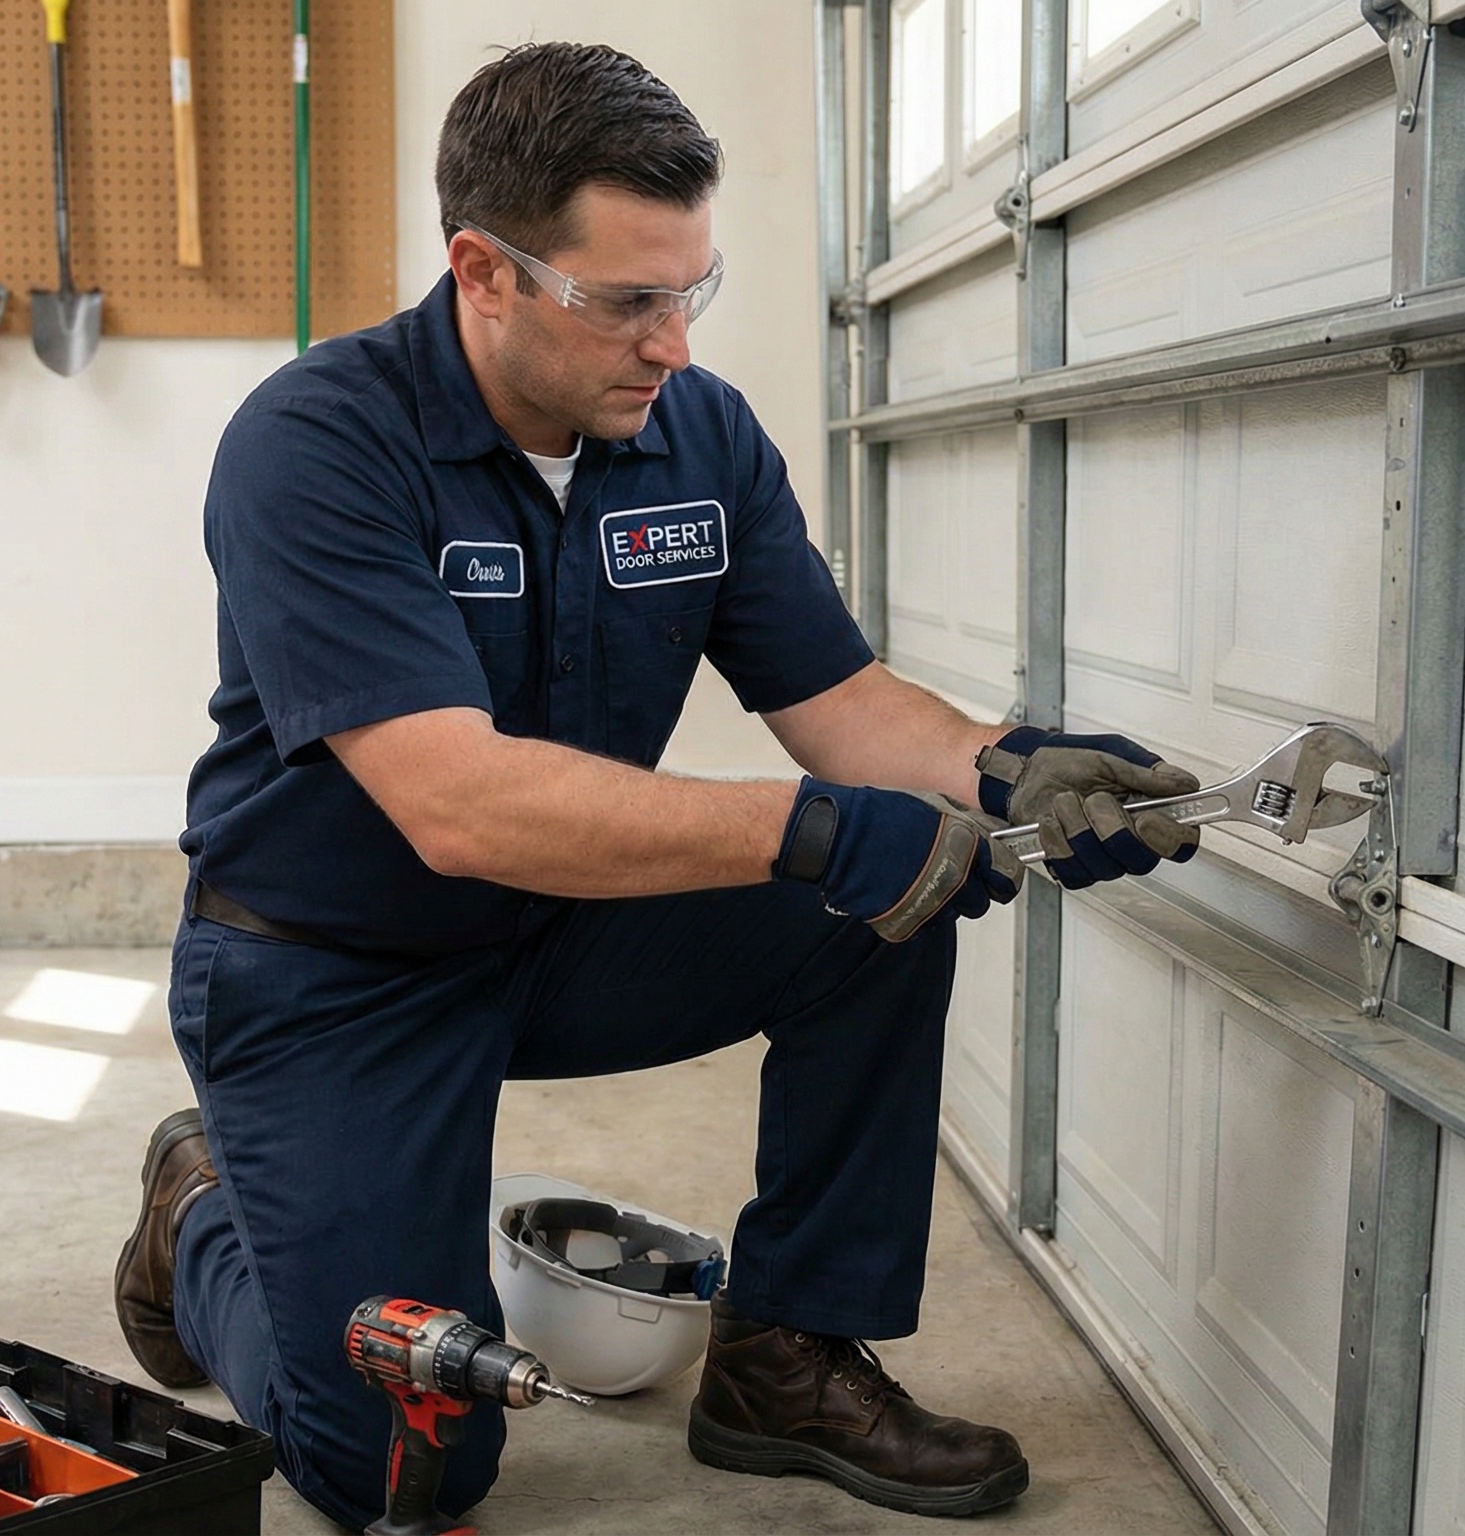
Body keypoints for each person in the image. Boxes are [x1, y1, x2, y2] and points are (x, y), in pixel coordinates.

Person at [111, 41, 1201, 1528]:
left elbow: (840, 704)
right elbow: (459, 803)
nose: (670, 342)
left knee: (895, 898)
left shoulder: (700, 437)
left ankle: (789, 1353)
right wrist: (811, 832)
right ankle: (203, 1221)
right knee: (402, 1467)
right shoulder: (317, 446)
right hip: (329, 970)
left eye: (691, 289)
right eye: (625, 300)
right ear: (484, 273)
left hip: (556, 930)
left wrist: (1005, 767)